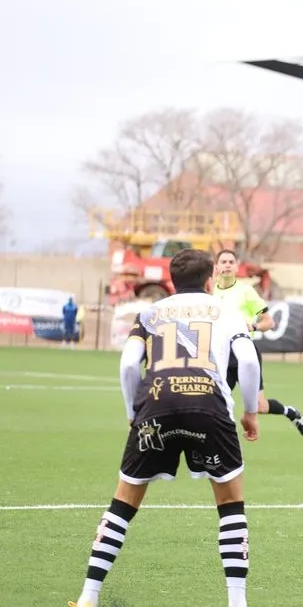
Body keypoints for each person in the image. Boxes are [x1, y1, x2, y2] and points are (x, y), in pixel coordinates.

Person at [68, 249, 262, 607]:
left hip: (156, 404)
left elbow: (129, 364)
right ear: (209, 281)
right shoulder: (227, 311)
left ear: (172, 282)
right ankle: (237, 603)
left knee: (123, 502)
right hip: (209, 405)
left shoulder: (150, 312)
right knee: (230, 503)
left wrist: (132, 411)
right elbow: (248, 361)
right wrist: (250, 412)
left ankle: (88, 596)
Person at [213, 250, 303, 437]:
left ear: (236, 266)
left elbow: (269, 322)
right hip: (221, 353)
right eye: (223, 261)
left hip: (244, 351)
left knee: (260, 406)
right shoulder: (210, 291)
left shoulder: (246, 291)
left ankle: (290, 412)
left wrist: (254, 326)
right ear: (216, 266)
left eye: (231, 262)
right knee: (215, 401)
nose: (227, 265)